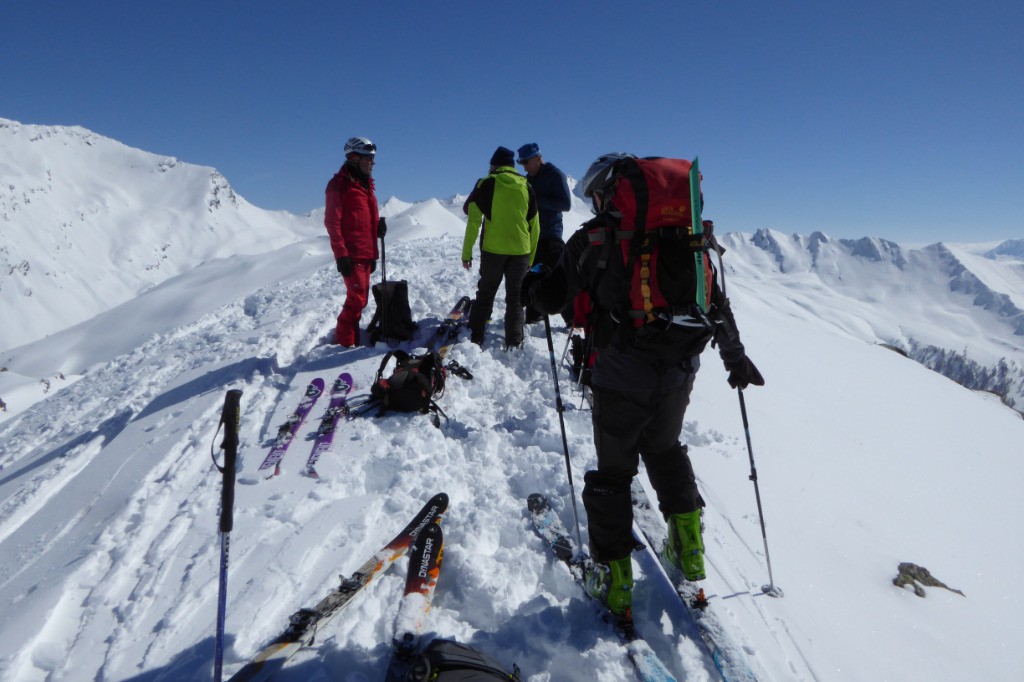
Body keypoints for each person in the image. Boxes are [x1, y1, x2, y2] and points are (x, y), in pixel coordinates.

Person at [523, 153, 764, 617]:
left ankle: (613, 581)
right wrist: (736, 359)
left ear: (607, 192)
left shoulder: (595, 237)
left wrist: (532, 283)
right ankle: (689, 547)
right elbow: (716, 305)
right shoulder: (694, 240)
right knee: (665, 446)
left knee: (613, 474)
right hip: (679, 369)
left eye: (594, 195)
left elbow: (551, 300)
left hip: (620, 375)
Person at [461, 146, 540, 348]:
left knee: (486, 292)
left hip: (493, 251)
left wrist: (467, 252)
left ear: (494, 165)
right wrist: (530, 258)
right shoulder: (526, 186)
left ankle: (475, 336)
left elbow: (473, 222)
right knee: (515, 298)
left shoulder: (486, 184)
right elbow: (535, 226)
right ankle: (514, 341)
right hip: (521, 252)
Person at [324, 136, 382, 346]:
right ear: (355, 158)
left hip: (365, 253)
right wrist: (341, 255)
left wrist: (378, 231)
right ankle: (345, 343)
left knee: (361, 300)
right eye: (369, 158)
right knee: (357, 300)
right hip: (351, 255)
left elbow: (365, 220)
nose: (372, 163)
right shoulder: (339, 185)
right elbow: (332, 222)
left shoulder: (366, 186)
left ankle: (351, 338)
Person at [516, 143, 572, 324]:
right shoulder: (528, 179)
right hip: (533, 238)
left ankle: (573, 320)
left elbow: (566, 204)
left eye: (526, 162)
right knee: (533, 276)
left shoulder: (555, 175)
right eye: (521, 162)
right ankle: (534, 317)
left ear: (538, 158)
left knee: (559, 278)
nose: (524, 166)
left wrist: (538, 200)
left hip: (551, 236)